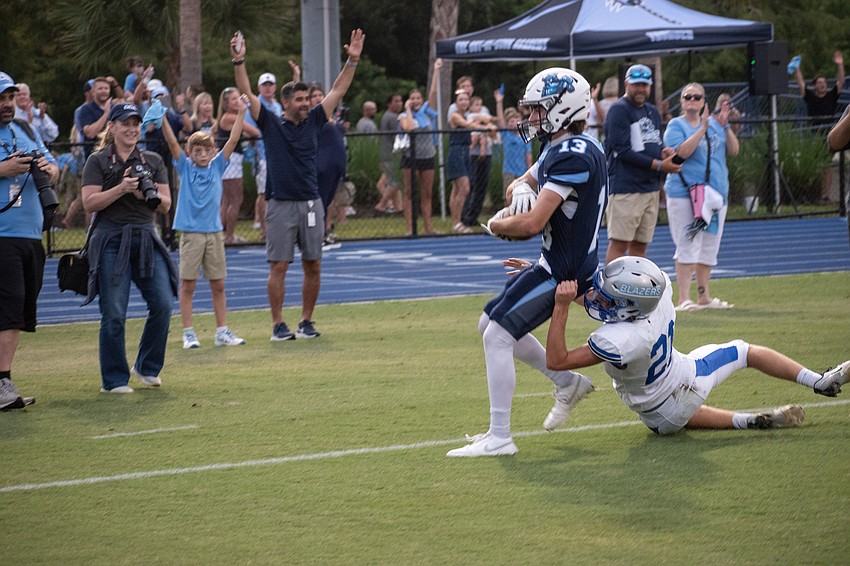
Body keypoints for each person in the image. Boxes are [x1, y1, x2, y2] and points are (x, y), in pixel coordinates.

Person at [447, 67, 606, 457]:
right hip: (555, 262)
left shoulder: (571, 156)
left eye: (538, 110)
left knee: (496, 336)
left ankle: (500, 436)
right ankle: (565, 382)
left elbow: (532, 223)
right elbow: (521, 183)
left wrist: (496, 223)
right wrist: (519, 190)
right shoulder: (569, 147)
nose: (531, 118)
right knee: (489, 323)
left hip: (563, 272)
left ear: (561, 109)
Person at [545, 256, 850, 435]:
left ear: (628, 308)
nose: (598, 298)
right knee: (744, 351)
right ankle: (818, 380)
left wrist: (560, 305)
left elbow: (557, 360)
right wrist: (553, 285)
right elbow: (622, 293)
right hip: (685, 377)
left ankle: (745, 421)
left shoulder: (620, 340)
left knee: (680, 413)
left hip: (658, 417)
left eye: (608, 298)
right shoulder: (659, 293)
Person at [231, 28, 364, 341]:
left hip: (311, 203)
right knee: (279, 266)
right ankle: (279, 325)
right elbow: (247, 93)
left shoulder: (316, 120)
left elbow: (338, 90)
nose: (307, 104)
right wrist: (239, 61)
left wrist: (352, 61)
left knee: (313, 264)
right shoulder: (270, 122)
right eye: (300, 100)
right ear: (285, 101)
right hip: (280, 204)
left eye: (308, 99)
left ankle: (306, 322)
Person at [80, 102, 177, 394]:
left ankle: (147, 367)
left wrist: (145, 195)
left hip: (147, 236)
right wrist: (122, 189)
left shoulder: (152, 160)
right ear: (112, 127)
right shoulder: (97, 161)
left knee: (162, 303)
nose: (132, 128)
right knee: (114, 312)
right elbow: (89, 203)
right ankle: (114, 380)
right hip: (111, 240)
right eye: (125, 123)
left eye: (136, 123)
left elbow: (166, 204)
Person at [159, 94, 248, 349]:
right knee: (188, 285)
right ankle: (188, 332)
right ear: (190, 152)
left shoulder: (218, 165)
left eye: (206, 150)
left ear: (212, 151)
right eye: (196, 150)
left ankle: (222, 331)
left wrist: (241, 113)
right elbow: (172, 142)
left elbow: (233, 139)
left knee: (218, 284)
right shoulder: (185, 167)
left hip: (214, 233)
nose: (202, 154)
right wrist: (163, 117)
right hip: (192, 234)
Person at [0, 72, 59, 410]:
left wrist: (49, 171)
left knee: (19, 310)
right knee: (9, 306)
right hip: (2, 236)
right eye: (2, 98)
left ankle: (4, 380)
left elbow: (54, 167)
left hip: (30, 235)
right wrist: (4, 169)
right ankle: (2, 382)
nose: (7, 104)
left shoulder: (25, 129)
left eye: (10, 97)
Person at [663, 84, 740, 312]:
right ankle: (683, 299)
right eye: (688, 96)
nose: (692, 100)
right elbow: (682, 153)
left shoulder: (716, 125)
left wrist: (725, 127)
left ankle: (704, 296)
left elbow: (734, 150)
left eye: (697, 97)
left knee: (709, 247)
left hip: (714, 196)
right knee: (688, 244)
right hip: (685, 194)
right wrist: (701, 129)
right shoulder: (676, 125)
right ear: (682, 100)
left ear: (704, 101)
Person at [604, 64, 681, 264]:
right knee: (620, 244)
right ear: (626, 84)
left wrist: (663, 151)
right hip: (626, 189)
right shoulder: (619, 110)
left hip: (650, 188)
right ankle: (611, 291)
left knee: (640, 245)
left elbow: (651, 141)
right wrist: (658, 165)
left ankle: (635, 288)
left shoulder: (652, 111)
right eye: (636, 84)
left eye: (645, 85)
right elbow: (621, 150)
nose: (641, 89)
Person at [216, 86, 260, 244]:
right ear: (226, 103)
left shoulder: (231, 118)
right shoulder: (229, 117)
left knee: (227, 200)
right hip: (231, 160)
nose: (237, 101)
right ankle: (228, 236)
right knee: (235, 199)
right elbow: (254, 132)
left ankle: (221, 235)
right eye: (234, 99)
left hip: (231, 159)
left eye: (238, 98)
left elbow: (245, 132)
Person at [399, 65, 439, 236]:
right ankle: (410, 229)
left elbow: (433, 93)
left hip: (427, 156)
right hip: (410, 157)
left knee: (426, 194)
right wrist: (408, 109)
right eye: (412, 98)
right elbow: (408, 128)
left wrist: (436, 69)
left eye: (418, 98)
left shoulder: (427, 113)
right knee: (409, 192)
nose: (416, 101)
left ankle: (428, 228)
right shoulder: (403, 116)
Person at [461, 94, 498, 231]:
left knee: (481, 187)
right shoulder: (469, 116)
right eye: (476, 105)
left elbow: (492, 127)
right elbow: (478, 127)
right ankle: (465, 215)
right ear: (470, 107)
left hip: (485, 154)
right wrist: (483, 124)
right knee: (471, 185)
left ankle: (473, 215)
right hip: (473, 154)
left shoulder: (484, 113)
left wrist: (485, 124)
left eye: (480, 105)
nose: (479, 107)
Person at [253, 72, 283, 236]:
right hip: (263, 154)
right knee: (263, 193)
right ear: (259, 87)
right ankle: (264, 229)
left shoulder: (277, 106)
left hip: (277, 154)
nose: (268, 88)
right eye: (265, 85)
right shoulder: (257, 104)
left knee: (273, 192)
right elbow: (251, 127)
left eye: (270, 84)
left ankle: (273, 226)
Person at [493, 91, 532, 205]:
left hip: (522, 171)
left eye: (516, 121)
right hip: (509, 171)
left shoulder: (525, 137)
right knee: (508, 195)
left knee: (523, 196)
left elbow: (528, 155)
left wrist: (529, 170)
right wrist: (499, 102)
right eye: (510, 121)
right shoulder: (506, 135)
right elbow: (500, 120)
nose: (513, 123)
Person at [794, 50, 845, 127]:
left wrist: (840, 65)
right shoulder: (810, 97)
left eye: (824, 82)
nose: (822, 84)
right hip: (814, 131)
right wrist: (797, 68)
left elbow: (841, 81)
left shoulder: (831, 95)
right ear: (815, 85)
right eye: (819, 82)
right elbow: (801, 83)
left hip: (829, 129)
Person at [78, 76, 123, 158]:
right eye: (100, 89)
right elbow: (90, 134)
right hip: (94, 158)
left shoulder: (115, 108)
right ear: (93, 92)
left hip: (115, 157)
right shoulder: (86, 109)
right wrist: (106, 114)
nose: (104, 91)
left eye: (106, 88)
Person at [374, 93, 404, 214]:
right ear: (389, 104)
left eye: (400, 101)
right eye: (396, 101)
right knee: (396, 182)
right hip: (391, 155)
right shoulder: (392, 117)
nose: (399, 104)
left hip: (385, 154)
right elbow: (396, 137)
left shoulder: (389, 116)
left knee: (384, 183)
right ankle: (381, 205)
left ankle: (399, 208)